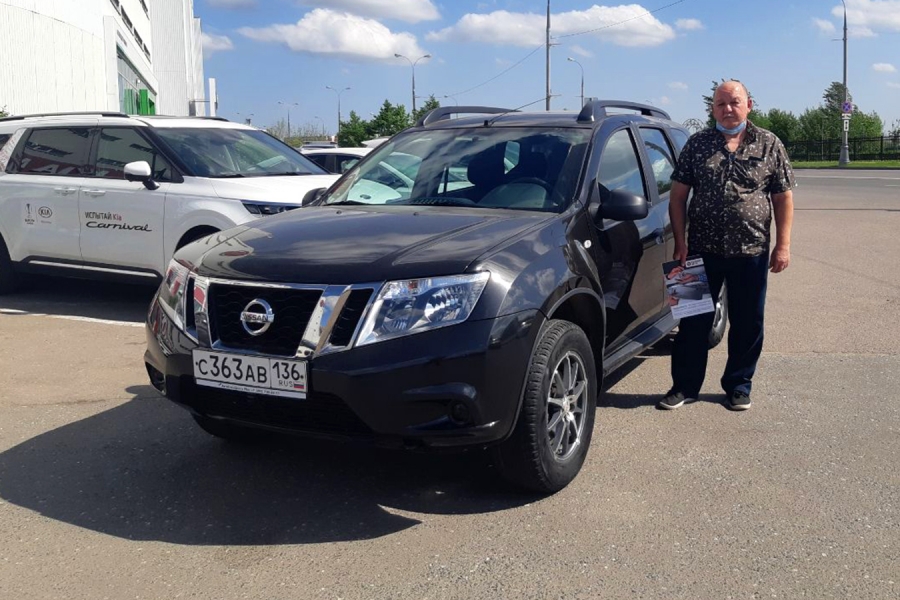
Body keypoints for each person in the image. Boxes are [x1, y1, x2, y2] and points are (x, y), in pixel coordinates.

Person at [658, 80, 795, 411]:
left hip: (752, 250)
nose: (727, 109)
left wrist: (783, 245)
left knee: (748, 322)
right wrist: (680, 243)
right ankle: (684, 386)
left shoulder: (769, 143)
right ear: (713, 109)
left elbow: (783, 197)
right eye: (720, 104)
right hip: (698, 249)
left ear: (749, 104)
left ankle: (738, 386)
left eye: (734, 102)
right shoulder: (697, 143)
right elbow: (677, 197)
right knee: (691, 321)